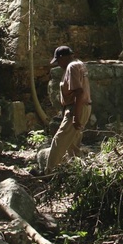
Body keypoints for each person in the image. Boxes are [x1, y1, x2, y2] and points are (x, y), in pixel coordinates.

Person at [44, 45, 92, 173]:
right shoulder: (79, 64)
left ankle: (49, 171)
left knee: (59, 140)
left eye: (58, 61)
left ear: (63, 58)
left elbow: (78, 92)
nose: (58, 64)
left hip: (76, 108)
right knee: (73, 144)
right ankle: (80, 171)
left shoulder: (71, 67)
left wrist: (75, 116)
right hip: (83, 107)